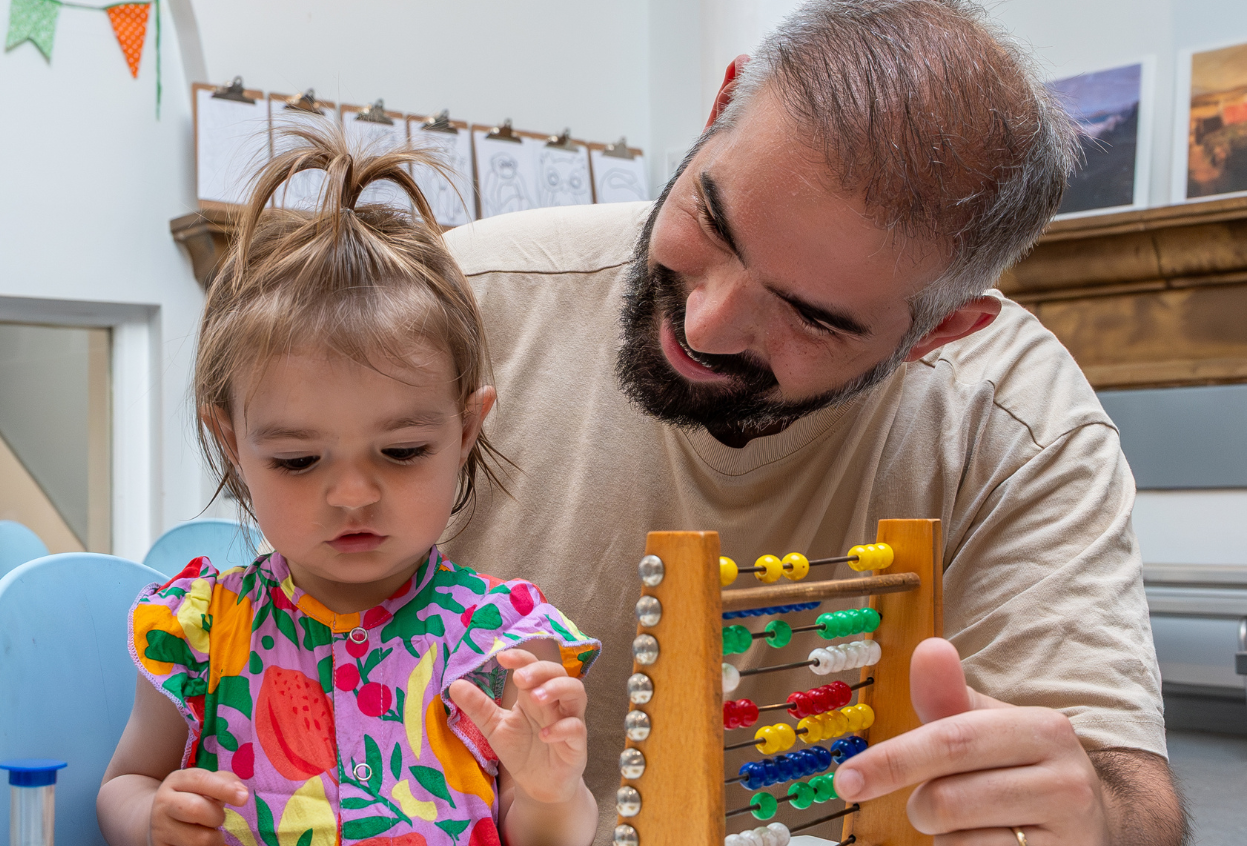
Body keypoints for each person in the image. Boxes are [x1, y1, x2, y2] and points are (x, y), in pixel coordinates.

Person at [442, 1, 1184, 844]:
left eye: (812, 316)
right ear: (721, 107)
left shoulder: (1011, 423)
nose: (705, 327)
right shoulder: (465, 305)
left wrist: (1088, 813)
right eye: (713, 222)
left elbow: (1136, 805)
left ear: (938, 333)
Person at [98, 125, 604, 846]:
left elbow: (543, 833)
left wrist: (554, 792)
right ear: (231, 445)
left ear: (465, 431)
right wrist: (151, 819)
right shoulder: (201, 632)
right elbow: (124, 783)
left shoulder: (497, 646)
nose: (353, 495)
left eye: (400, 451)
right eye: (300, 461)